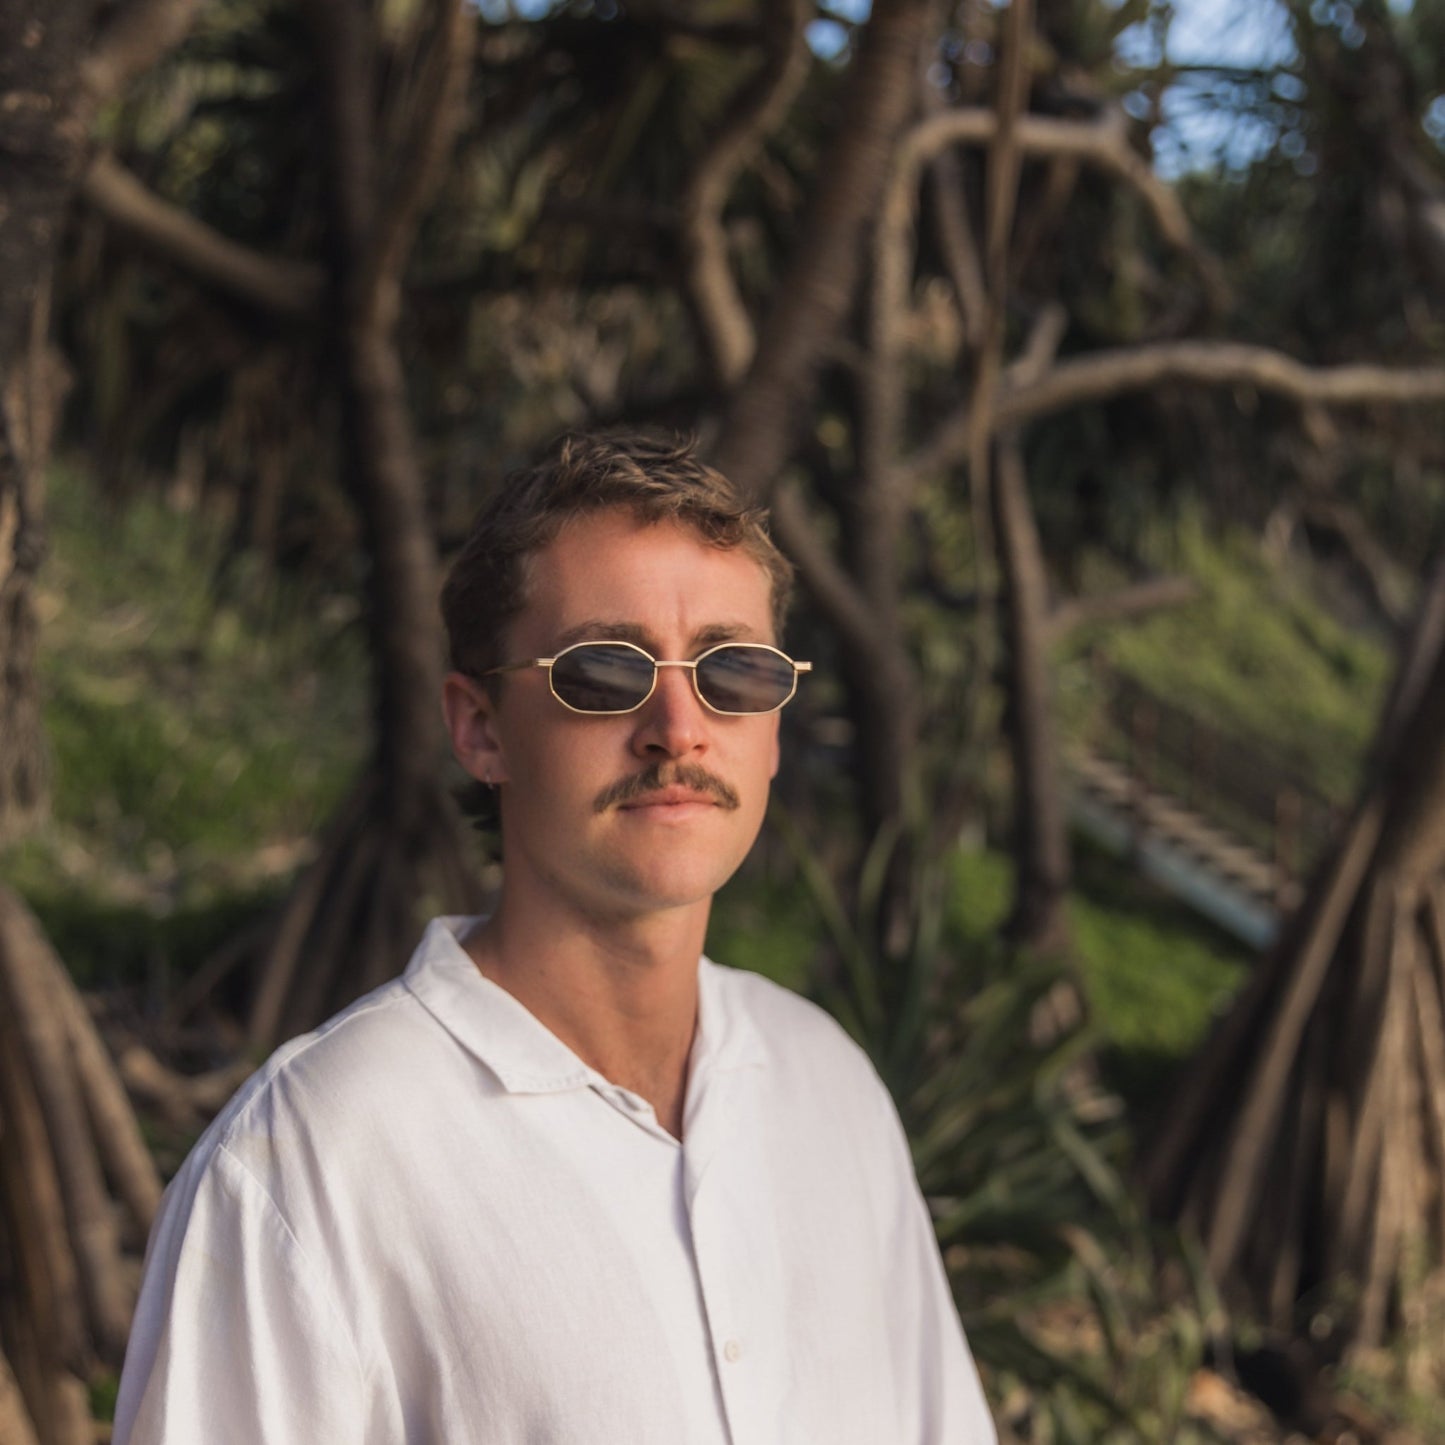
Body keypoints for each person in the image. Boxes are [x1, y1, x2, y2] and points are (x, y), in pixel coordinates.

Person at [113, 431, 997, 1444]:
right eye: (603, 669)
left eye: (732, 668)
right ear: (480, 728)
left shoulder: (827, 1088)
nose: (677, 722)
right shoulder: (313, 1162)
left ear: (775, 727)